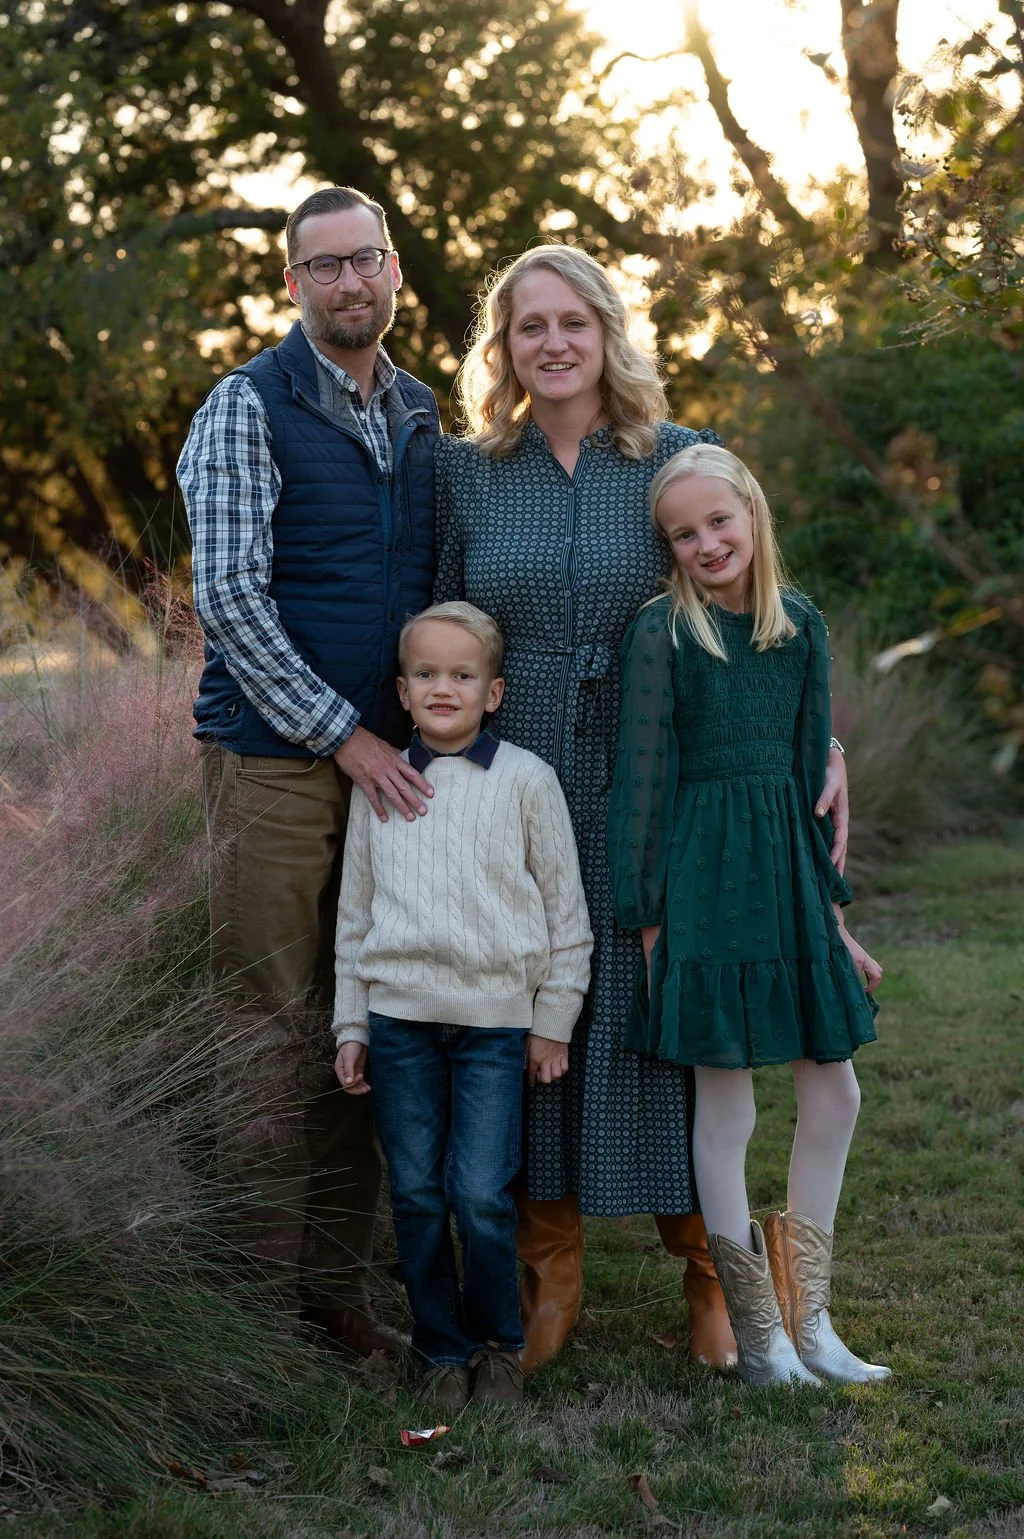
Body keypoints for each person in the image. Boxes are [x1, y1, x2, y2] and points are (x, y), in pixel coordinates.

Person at [434, 244, 851, 1372]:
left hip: (663, 780)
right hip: (513, 774)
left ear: (608, 333)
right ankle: (548, 1268)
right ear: (504, 346)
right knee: (527, 1006)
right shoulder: (470, 472)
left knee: (661, 1003)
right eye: (530, 325)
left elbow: (756, 609)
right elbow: (439, 628)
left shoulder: (671, 458)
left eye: (573, 321)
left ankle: (709, 1271)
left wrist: (821, 742)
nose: (553, 343)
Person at [177, 185, 439, 1353]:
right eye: (323, 265)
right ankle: (251, 1310)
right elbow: (230, 596)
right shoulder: (248, 405)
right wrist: (343, 733)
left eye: (365, 260)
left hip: (393, 771)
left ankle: (336, 1296)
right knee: (262, 1023)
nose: (348, 282)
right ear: (293, 284)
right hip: (275, 762)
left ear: (394, 272)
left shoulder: (421, 412)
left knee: (361, 1021)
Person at [607, 443, 889, 1386]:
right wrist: (652, 929)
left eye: (719, 521)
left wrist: (833, 920)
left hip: (789, 878)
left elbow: (814, 783)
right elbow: (641, 786)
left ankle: (813, 1321)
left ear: (754, 515)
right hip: (702, 882)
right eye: (683, 533)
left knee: (836, 1092)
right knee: (728, 1101)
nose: (706, 543)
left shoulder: (800, 626)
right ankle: (759, 1336)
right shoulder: (661, 633)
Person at [333, 602, 593, 1406]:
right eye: (426, 673)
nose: (443, 687)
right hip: (399, 1022)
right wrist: (351, 1022)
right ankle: (441, 1351)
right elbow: (354, 917)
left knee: (480, 1193)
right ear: (402, 692)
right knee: (416, 1193)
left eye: (462, 674)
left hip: (494, 1024)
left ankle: (498, 1345)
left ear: (494, 691)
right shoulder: (380, 782)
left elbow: (567, 915)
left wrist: (552, 1020)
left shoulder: (525, 779)